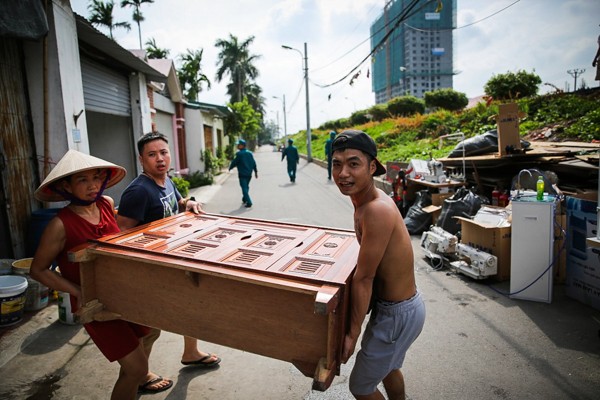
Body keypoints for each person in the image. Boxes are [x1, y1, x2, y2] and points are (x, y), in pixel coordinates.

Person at [29, 149, 173, 398]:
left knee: (146, 340)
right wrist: (78, 291)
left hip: (122, 292)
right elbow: (38, 270)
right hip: (95, 304)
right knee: (137, 368)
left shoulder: (106, 205)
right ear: (66, 186)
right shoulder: (60, 225)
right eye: (82, 180)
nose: (93, 185)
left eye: (96, 178)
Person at [331, 130, 426, 400]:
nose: (343, 173)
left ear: (372, 167)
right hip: (395, 310)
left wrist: (351, 333)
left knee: (360, 386)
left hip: (397, 314)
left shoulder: (375, 209)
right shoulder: (362, 203)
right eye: (337, 164)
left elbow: (365, 278)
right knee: (388, 368)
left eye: (353, 163)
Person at [116, 132, 221, 374]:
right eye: (152, 155)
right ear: (141, 159)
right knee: (150, 326)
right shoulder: (139, 191)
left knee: (190, 304)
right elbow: (121, 235)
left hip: (173, 259)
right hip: (150, 269)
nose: (160, 159)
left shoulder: (165, 180)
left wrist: (188, 203)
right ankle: (139, 375)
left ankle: (191, 352)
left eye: (163, 152)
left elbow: (174, 203)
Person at [229, 139, 258, 207]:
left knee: (244, 188)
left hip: (242, 174)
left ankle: (249, 202)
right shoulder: (250, 153)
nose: (237, 146)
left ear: (242, 145)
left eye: (238, 145)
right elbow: (254, 163)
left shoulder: (239, 154)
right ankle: (244, 199)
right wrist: (256, 172)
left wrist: (230, 167)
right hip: (249, 174)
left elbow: (234, 162)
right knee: (246, 187)